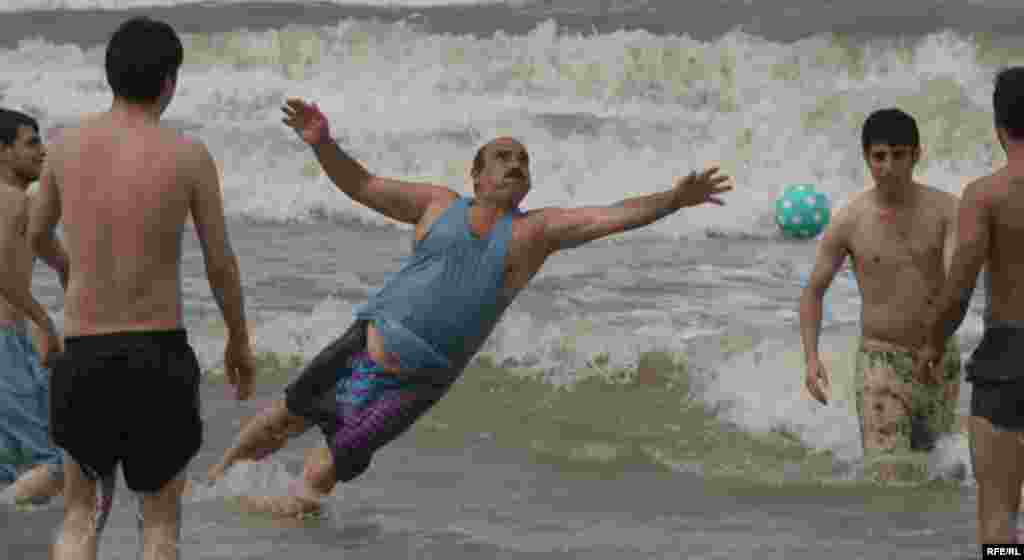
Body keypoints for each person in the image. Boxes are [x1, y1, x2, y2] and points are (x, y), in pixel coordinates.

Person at [206, 97, 732, 517]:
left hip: (416, 383)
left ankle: (256, 518)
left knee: (319, 479)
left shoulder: (535, 233)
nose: (515, 165)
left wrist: (673, 199)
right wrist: (323, 144)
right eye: (503, 157)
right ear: (476, 176)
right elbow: (363, 185)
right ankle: (212, 492)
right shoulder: (437, 204)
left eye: (523, 161)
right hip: (365, 345)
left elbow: (613, 216)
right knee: (280, 421)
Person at [28, 17, 256, 560]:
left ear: (111, 76)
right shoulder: (188, 155)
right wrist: (237, 339)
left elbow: (36, 234)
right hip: (158, 354)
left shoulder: (63, 148)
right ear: (169, 82)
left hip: (85, 351)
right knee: (159, 527)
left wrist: (68, 270)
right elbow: (219, 262)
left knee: (80, 515)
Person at [799, 108, 961, 481]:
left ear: (917, 155)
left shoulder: (948, 211)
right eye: (879, 157)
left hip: (938, 356)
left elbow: (957, 283)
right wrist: (811, 358)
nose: (888, 166)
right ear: (866, 157)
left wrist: (937, 342)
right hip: (881, 362)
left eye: (899, 155)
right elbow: (813, 293)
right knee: (889, 477)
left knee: (939, 476)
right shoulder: (850, 220)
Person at [925, 66, 1024, 546]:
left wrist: (931, 344)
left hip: (1007, 359)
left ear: (999, 126)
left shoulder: (985, 196)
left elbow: (959, 288)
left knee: (999, 513)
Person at [0, 108, 68, 504]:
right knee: (54, 463)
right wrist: (44, 321)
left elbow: (60, 260)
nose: (43, 151)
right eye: (32, 142)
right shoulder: (14, 201)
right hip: (6, 347)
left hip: (12, 344)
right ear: (3, 152)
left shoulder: (19, 203)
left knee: (9, 465)